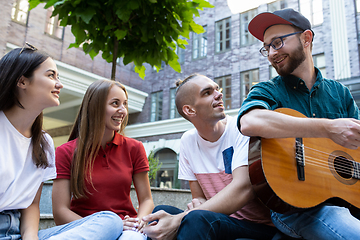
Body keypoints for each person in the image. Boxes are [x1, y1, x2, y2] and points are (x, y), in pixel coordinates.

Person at [238, 8, 360, 240]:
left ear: (306, 38)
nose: (272, 53)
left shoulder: (340, 93)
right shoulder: (268, 90)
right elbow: (249, 121)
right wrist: (327, 128)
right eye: (267, 47)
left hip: (348, 203)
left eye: (278, 42)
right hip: (293, 209)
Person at [0, 44, 123, 240]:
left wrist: (30, 238)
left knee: (111, 221)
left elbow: (32, 204)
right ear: (22, 81)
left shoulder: (44, 143)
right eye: (51, 76)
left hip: (19, 232)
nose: (59, 84)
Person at [143, 74, 278, 240]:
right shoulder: (188, 141)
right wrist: (197, 203)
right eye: (207, 92)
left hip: (258, 226)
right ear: (190, 110)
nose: (219, 94)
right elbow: (198, 196)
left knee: (195, 218)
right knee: (161, 213)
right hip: (219, 220)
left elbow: (244, 188)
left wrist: (180, 219)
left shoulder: (241, 129)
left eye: (217, 89)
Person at [52, 79, 154, 240]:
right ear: (95, 107)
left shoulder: (135, 148)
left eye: (124, 104)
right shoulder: (65, 152)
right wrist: (105, 227)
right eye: (115, 103)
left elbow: (147, 199)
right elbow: (60, 212)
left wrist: (139, 222)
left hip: (127, 230)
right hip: (85, 228)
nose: (123, 111)